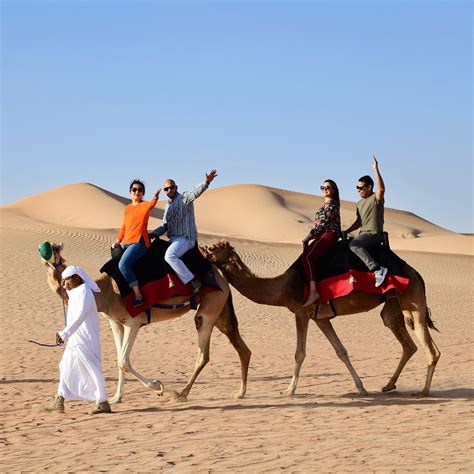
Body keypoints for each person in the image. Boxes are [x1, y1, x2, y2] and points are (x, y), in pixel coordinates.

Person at [42, 266, 111, 415]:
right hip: (75, 339)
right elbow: (71, 304)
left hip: (85, 339)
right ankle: (59, 400)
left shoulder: (85, 291)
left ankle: (103, 402)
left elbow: (81, 314)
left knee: (92, 370)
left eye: (67, 279)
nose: (65, 283)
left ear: (77, 278)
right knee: (65, 365)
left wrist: (65, 333)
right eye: (64, 280)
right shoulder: (76, 292)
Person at [150, 169, 218, 296]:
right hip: (173, 239)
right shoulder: (167, 207)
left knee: (170, 256)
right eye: (166, 189)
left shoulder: (184, 198)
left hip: (185, 239)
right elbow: (164, 225)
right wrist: (152, 234)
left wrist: (206, 182)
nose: (169, 190)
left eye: (172, 187)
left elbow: (195, 192)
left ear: (176, 187)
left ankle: (192, 281)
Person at [113, 180, 160, 307]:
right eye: (134, 189)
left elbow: (151, 204)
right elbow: (124, 227)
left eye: (140, 190)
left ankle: (138, 295)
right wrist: (118, 240)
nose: (137, 192)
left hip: (139, 242)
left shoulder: (145, 205)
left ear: (143, 193)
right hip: (126, 242)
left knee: (123, 265)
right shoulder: (127, 208)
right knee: (110, 261)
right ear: (130, 192)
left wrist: (155, 198)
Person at [344, 155, 387, 287]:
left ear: (369, 187)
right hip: (363, 233)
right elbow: (359, 222)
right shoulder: (359, 203)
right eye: (357, 187)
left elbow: (381, 189)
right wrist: (345, 231)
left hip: (374, 234)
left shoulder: (376, 198)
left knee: (354, 245)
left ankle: (377, 269)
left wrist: (376, 169)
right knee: (345, 245)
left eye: (361, 188)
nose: (358, 190)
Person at [301, 179, 342, 306]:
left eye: (328, 187)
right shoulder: (324, 206)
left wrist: (308, 237)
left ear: (334, 190)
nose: (325, 189)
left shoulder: (332, 205)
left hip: (329, 235)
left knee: (307, 257)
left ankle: (313, 292)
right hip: (322, 235)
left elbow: (322, 225)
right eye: (322, 187)